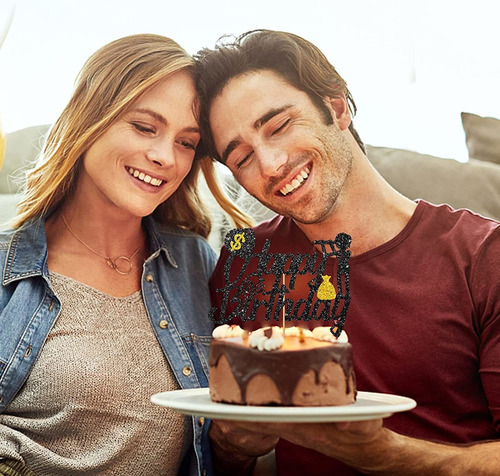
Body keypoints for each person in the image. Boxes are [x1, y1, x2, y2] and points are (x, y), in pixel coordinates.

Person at [194, 30, 500, 475]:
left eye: (279, 126)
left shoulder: (483, 255)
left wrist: (384, 455)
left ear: (337, 107)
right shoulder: (244, 264)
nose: (272, 165)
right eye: (241, 158)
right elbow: (221, 460)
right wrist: (232, 445)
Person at [0, 34, 251, 476]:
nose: (164, 157)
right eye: (144, 127)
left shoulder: (197, 264)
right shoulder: (6, 270)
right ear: (89, 120)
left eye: (186, 142)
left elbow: (225, 447)